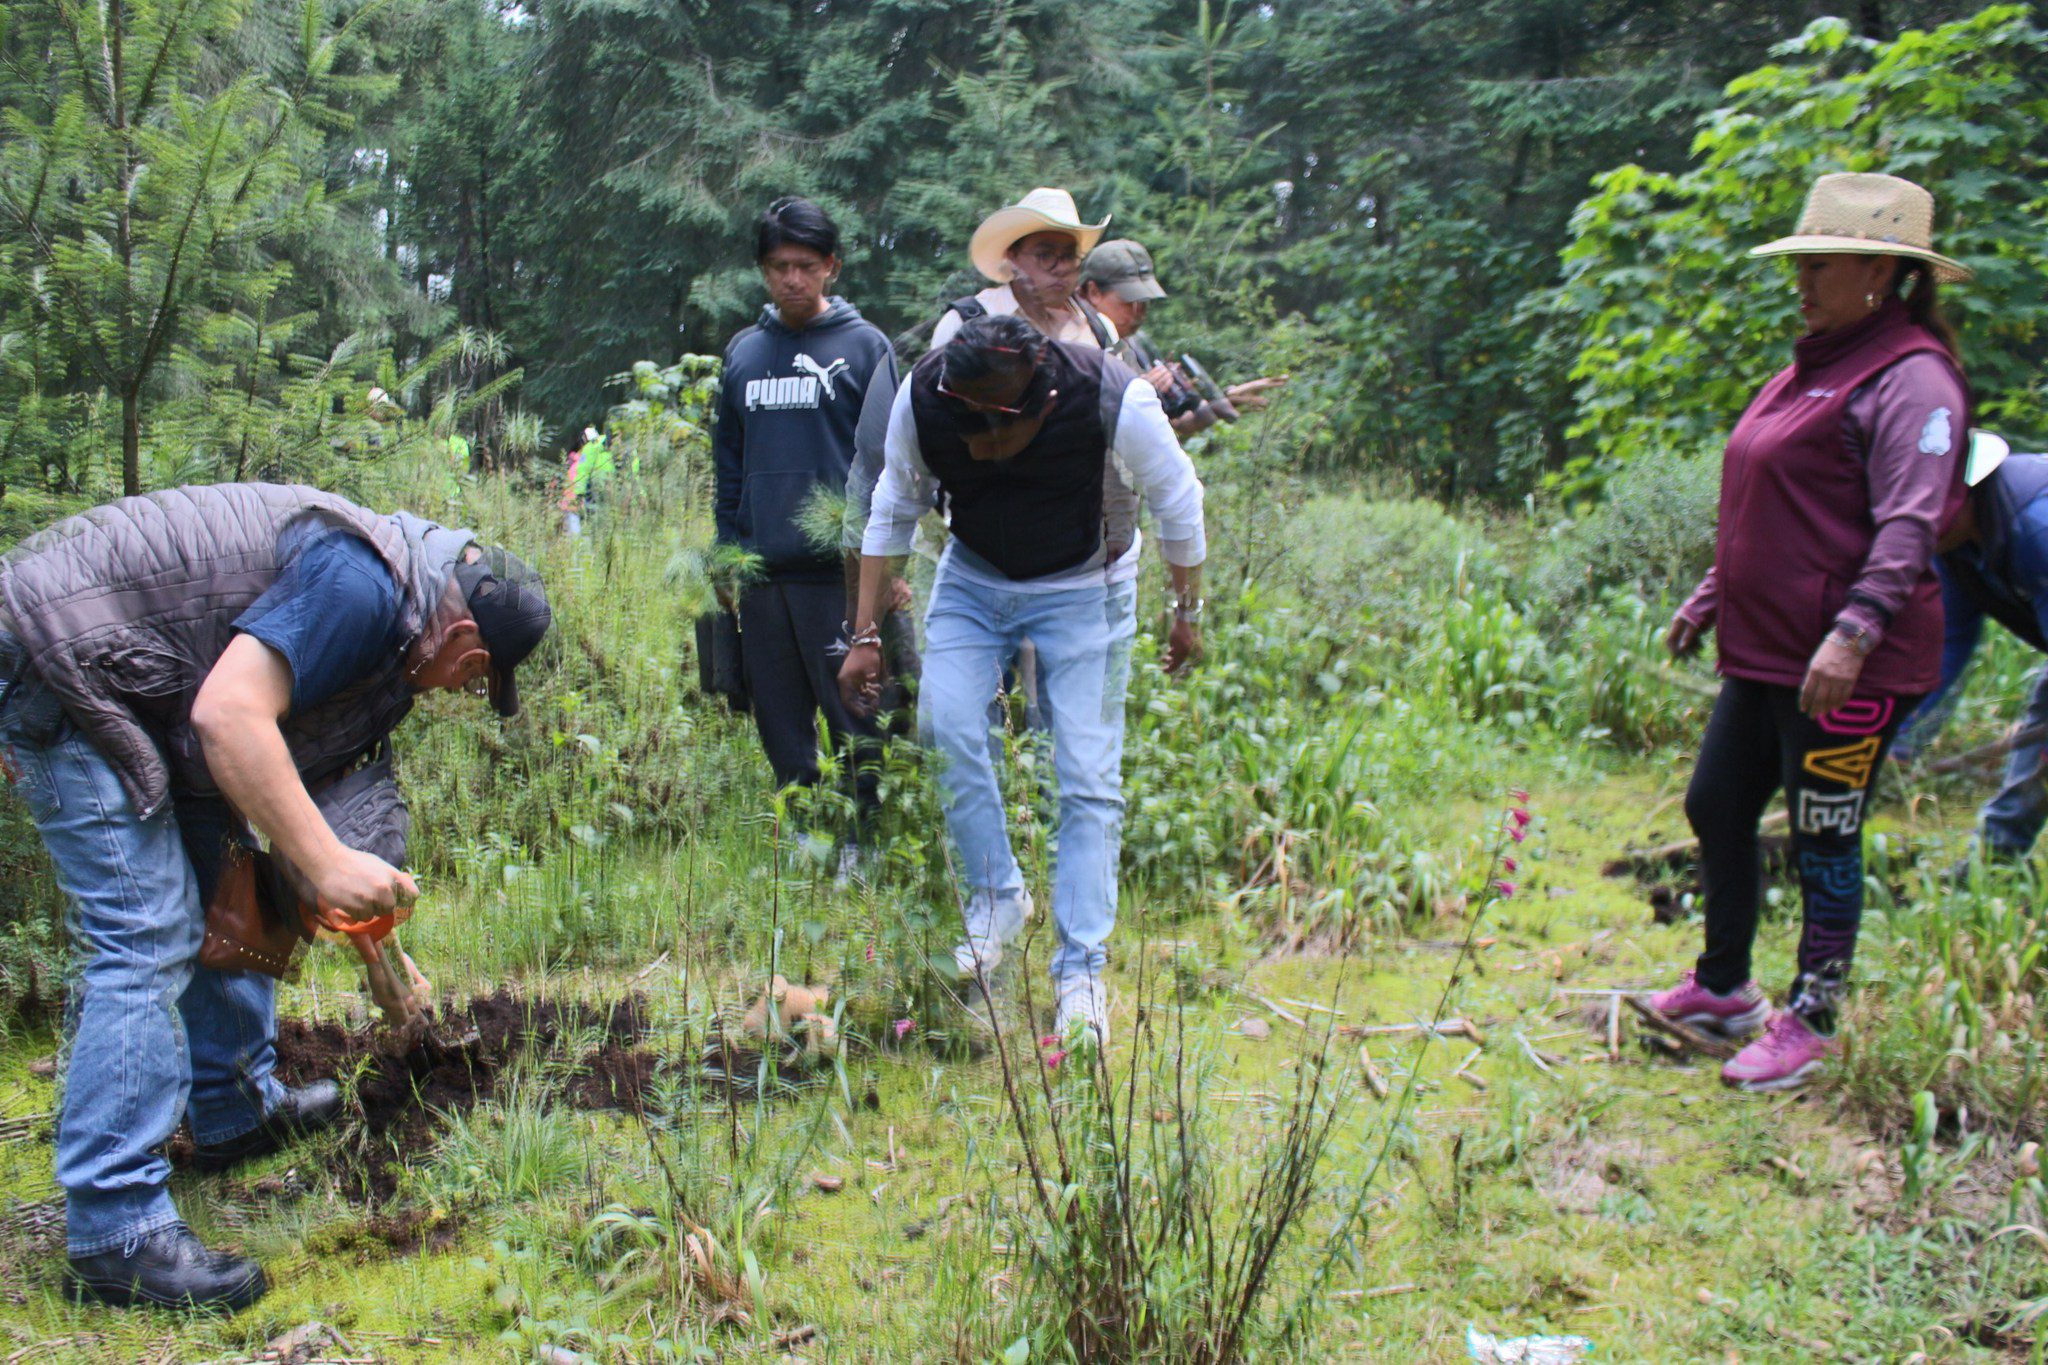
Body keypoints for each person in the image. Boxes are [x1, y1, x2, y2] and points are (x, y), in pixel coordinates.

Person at [0, 482, 551, 1309]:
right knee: (145, 930)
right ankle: (114, 1229)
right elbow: (229, 716)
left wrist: (381, 958)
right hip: (63, 660)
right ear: (467, 643)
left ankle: (230, 1108)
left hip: (143, 687)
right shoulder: (363, 585)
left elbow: (317, 810)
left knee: (219, 871)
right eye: (472, 682)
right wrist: (327, 864)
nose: (458, 694)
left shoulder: (394, 632)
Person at [1649, 172, 1972, 1093]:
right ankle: (1723, 987)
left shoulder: (1914, 380)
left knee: (1826, 833)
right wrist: (1711, 594)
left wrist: (1855, 632)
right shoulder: (1813, 363)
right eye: (1800, 261)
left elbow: (1910, 525)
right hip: (1768, 651)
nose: (1802, 280)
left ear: (1879, 273)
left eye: (1819, 264)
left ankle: (1815, 1019)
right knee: (1717, 804)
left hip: (1848, 667)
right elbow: (1768, 501)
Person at [838, 313, 1206, 1046]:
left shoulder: (1110, 396)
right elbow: (891, 508)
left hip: (1089, 586)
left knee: (1086, 775)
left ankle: (1081, 973)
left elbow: (1179, 500)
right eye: (962, 411)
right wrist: (865, 632)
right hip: (976, 577)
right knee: (943, 724)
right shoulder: (925, 396)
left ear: (1039, 400)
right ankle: (998, 893)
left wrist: (1184, 611)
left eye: (990, 418)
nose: (972, 432)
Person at [713, 197, 896, 863]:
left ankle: (864, 842)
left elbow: (890, 467)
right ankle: (803, 837)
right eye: (777, 267)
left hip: (841, 576)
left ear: (831, 267)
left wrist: (886, 575)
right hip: (765, 576)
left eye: (804, 266)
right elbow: (728, 464)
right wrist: (726, 551)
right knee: (779, 720)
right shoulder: (744, 354)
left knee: (858, 712)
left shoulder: (864, 348)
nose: (791, 279)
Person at [1891, 433, 2048, 866]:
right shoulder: (1954, 545)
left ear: (1964, 493)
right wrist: (1902, 739)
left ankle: (1996, 857)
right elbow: (1947, 644)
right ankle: (1996, 862)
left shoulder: (2037, 526)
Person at [1078, 239, 1289, 437]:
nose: (1138, 311)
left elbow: (1175, 427)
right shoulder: (1071, 345)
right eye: (1128, 299)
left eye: (1144, 301)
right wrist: (1130, 394)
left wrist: (1220, 402)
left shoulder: (1135, 344)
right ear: (1094, 292)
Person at [929, 187, 1115, 352]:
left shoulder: (1100, 330)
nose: (1062, 268)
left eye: (1069, 256)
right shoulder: (966, 321)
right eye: (1045, 256)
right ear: (1012, 257)